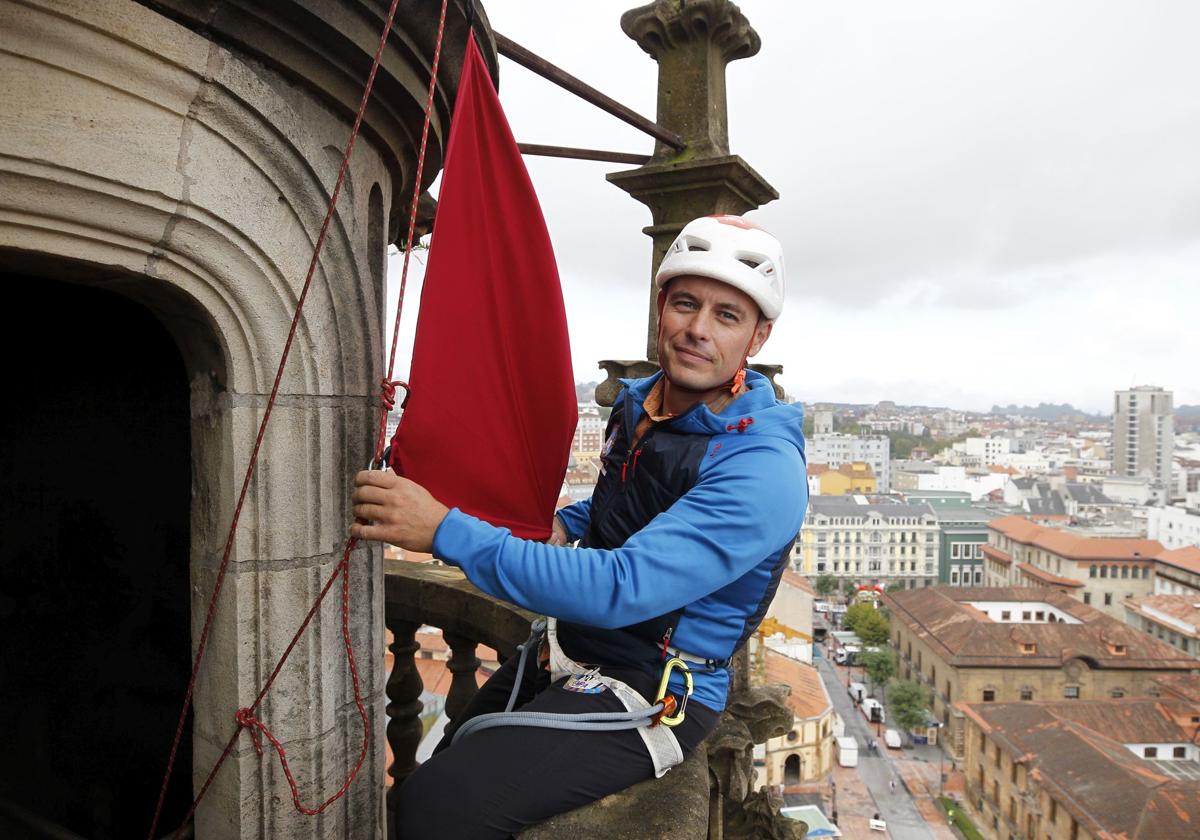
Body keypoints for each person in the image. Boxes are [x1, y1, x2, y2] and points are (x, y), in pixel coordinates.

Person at [352, 214, 808, 839]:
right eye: (685, 304)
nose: (698, 330)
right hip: (576, 649)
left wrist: (443, 531)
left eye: (727, 315)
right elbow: (619, 509)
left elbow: (623, 585)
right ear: (660, 309)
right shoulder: (641, 405)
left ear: (757, 337)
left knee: (441, 803)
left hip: (659, 687)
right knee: (441, 764)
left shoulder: (762, 466)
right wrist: (566, 524)